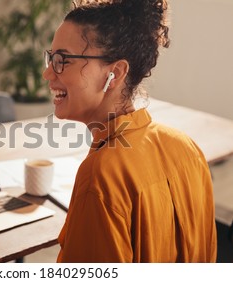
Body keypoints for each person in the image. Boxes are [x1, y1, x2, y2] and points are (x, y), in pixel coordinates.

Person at [43, 0, 216, 262]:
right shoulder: (186, 147)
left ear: (115, 73)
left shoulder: (100, 176)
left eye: (62, 60)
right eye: (51, 58)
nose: (47, 73)